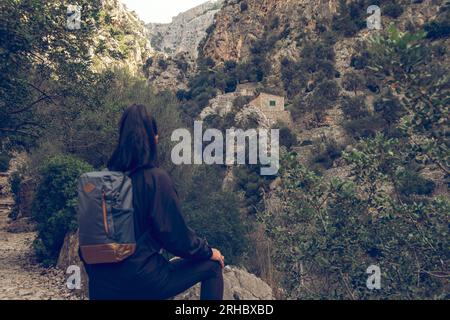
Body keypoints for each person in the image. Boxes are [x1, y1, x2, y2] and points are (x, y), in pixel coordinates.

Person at [84, 104, 225, 300]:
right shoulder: (155, 179)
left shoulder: (100, 181)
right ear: (154, 140)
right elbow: (177, 237)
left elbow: (86, 243)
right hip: (139, 281)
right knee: (212, 267)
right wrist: (209, 252)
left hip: (101, 286)